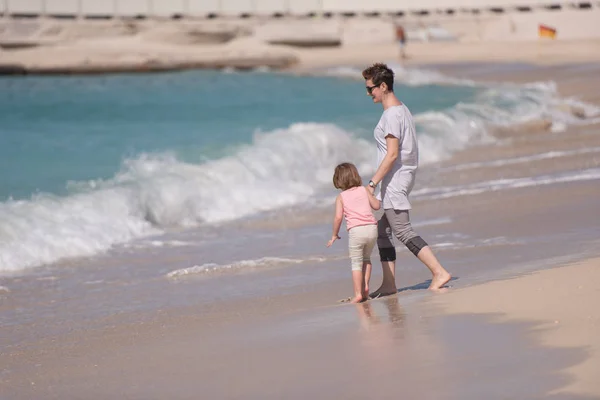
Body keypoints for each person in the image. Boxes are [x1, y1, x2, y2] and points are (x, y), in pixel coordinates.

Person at [362, 63, 451, 295]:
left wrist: (371, 184)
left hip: (395, 179)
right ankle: (389, 284)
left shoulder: (392, 115)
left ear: (383, 86)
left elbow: (392, 154)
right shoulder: (402, 109)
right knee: (383, 230)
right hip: (401, 176)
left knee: (402, 230)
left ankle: (439, 272)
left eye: (370, 89)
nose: (368, 93)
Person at [327, 162, 381, 303]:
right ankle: (366, 288)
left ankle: (358, 294)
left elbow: (338, 217)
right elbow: (376, 206)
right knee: (366, 259)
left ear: (339, 180)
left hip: (356, 232)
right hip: (372, 229)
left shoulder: (341, 197)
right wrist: (373, 196)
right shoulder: (364, 190)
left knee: (356, 263)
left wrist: (334, 234)